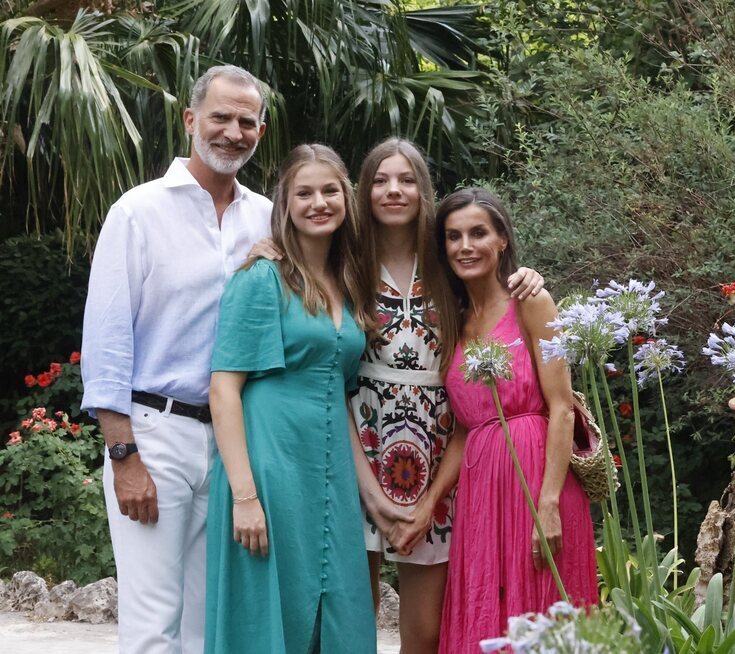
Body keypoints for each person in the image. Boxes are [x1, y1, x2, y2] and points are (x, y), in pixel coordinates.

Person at [249, 138, 542, 653]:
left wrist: (529, 277)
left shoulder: (449, 266)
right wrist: (267, 248)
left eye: (406, 179)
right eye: (381, 179)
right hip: (354, 448)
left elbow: (495, 295)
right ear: (363, 191)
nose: (393, 190)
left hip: (435, 454)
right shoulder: (343, 262)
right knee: (346, 619)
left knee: (424, 632)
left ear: (423, 189)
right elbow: (327, 375)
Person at [81, 65, 273, 654]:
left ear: (260, 132)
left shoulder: (268, 218)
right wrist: (123, 455)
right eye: (220, 117)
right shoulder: (138, 212)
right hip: (154, 433)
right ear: (191, 120)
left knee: (209, 622)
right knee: (152, 624)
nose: (232, 132)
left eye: (247, 121)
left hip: (234, 440)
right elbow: (107, 339)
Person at [206, 144, 378, 653]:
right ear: (285, 204)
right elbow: (223, 390)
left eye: (329, 191)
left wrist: (371, 492)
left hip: (330, 474)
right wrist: (245, 497)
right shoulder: (261, 278)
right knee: (267, 615)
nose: (318, 202)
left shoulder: (348, 283)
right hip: (269, 466)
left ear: (346, 199)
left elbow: (340, 393)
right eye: (304, 193)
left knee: (341, 608)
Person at [429, 187, 599, 652]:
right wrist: (429, 504)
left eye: (478, 233)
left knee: (543, 610)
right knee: (487, 613)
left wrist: (548, 504)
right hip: (481, 492)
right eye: (453, 236)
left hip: (539, 478)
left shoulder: (531, 301)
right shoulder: (454, 320)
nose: (465, 246)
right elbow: (468, 427)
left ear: (502, 239)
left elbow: (561, 407)